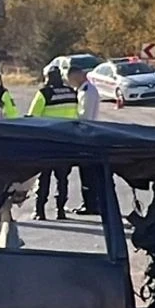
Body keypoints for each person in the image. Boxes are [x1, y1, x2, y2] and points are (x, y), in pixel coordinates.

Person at [27, 66, 79, 220]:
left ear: (47, 77)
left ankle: (40, 211)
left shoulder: (44, 93)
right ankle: (61, 211)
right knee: (62, 179)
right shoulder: (71, 92)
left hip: (46, 142)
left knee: (44, 178)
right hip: (67, 141)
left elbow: (32, 116)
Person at [71, 65, 102, 215]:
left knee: (87, 173)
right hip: (88, 133)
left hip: (86, 134)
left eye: (71, 78)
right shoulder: (86, 89)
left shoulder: (87, 91)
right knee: (86, 173)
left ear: (78, 76)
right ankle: (89, 202)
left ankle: (91, 204)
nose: (70, 81)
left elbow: (85, 116)